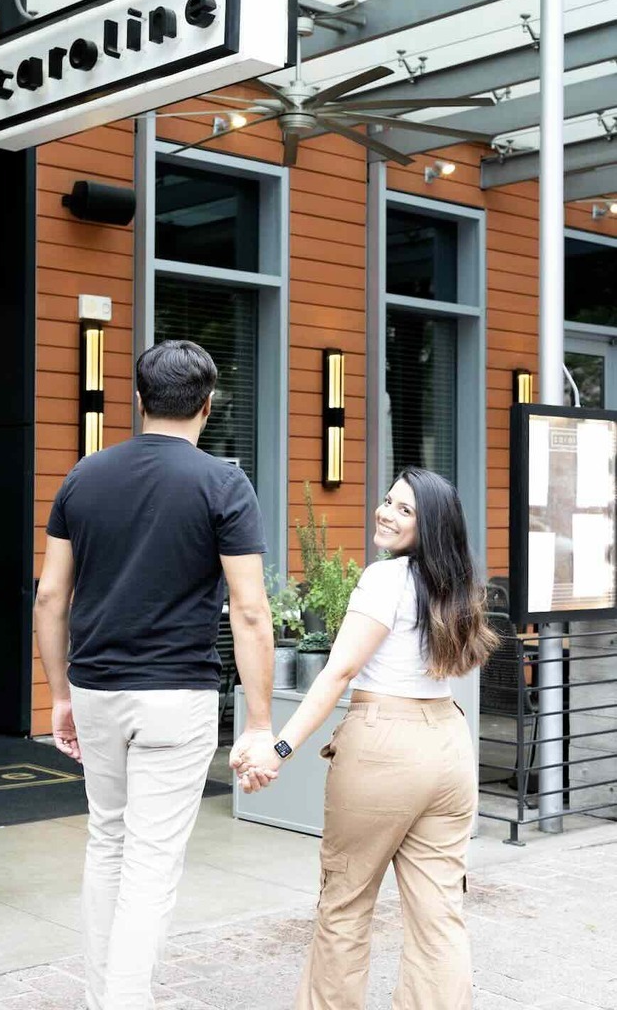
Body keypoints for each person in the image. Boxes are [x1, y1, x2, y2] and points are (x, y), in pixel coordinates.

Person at [35, 339, 277, 1010]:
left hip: (95, 689)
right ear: (208, 406)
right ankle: (124, 1000)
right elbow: (250, 611)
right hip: (177, 696)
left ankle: (104, 997)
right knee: (150, 862)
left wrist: (59, 695)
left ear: (139, 400)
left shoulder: (84, 477)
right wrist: (259, 722)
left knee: (107, 842)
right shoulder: (223, 483)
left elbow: (50, 597)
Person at [231, 467, 497, 1010]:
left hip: (384, 746)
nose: (386, 513)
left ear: (430, 526)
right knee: (439, 913)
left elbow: (339, 672)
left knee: (345, 903)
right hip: (448, 746)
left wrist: (278, 749)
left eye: (404, 509)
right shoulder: (458, 588)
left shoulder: (385, 579)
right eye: (388, 500)